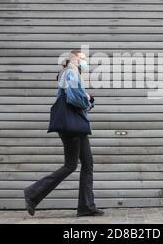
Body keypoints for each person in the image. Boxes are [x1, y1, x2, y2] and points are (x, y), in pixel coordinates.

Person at [23, 50, 104, 217]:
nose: (85, 62)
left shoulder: (73, 73)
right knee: (70, 165)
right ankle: (32, 194)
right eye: (82, 58)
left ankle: (86, 207)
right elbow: (74, 98)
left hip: (77, 125)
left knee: (87, 164)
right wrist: (87, 99)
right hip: (71, 126)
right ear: (73, 59)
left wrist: (87, 99)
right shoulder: (70, 72)